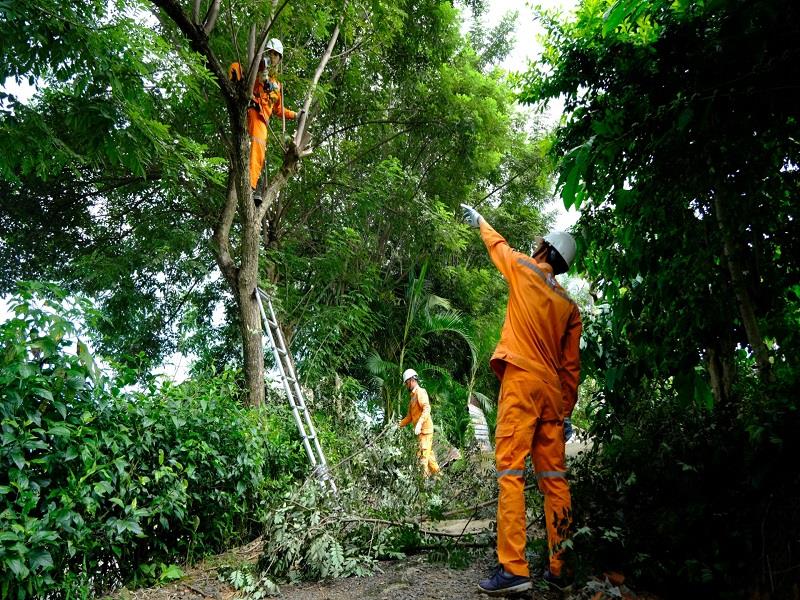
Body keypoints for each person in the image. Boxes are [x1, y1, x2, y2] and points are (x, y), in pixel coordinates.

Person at [460, 204, 581, 596]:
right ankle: (560, 567)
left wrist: (479, 221)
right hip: (551, 395)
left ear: (545, 250)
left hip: (521, 381)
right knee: (554, 479)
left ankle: (514, 568)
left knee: (510, 470)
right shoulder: (569, 307)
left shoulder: (526, 269)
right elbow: (571, 369)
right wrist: (564, 412)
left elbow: (499, 247)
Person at [228, 38, 297, 204]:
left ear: (279, 59)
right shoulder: (256, 67)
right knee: (256, 146)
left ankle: (252, 186)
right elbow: (240, 70)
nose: (272, 57)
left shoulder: (277, 84)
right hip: (250, 109)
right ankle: (251, 186)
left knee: (258, 150)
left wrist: (296, 115)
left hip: (260, 118)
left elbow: (278, 110)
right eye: (270, 53)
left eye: (276, 55)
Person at [398, 368, 440, 478]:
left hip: (425, 431)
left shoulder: (420, 392)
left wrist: (420, 423)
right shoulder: (412, 397)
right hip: (421, 432)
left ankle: (423, 487)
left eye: (407, 383)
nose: (406, 385)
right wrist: (397, 425)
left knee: (422, 459)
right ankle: (440, 479)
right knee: (429, 458)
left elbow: (427, 408)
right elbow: (409, 417)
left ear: (411, 380)